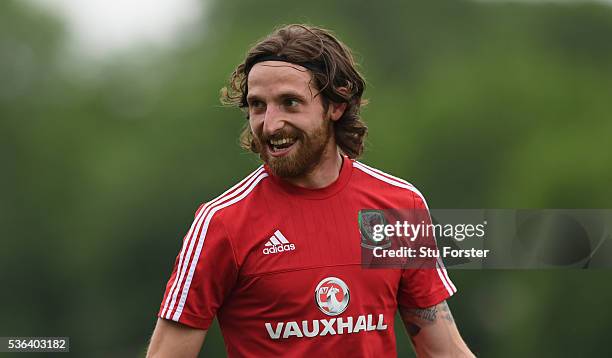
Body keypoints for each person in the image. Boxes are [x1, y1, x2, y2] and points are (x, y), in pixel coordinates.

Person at [146, 24, 474, 357]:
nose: (270, 124)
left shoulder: (399, 205)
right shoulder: (222, 223)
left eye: (290, 103)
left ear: (336, 105)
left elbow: (444, 351)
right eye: (258, 106)